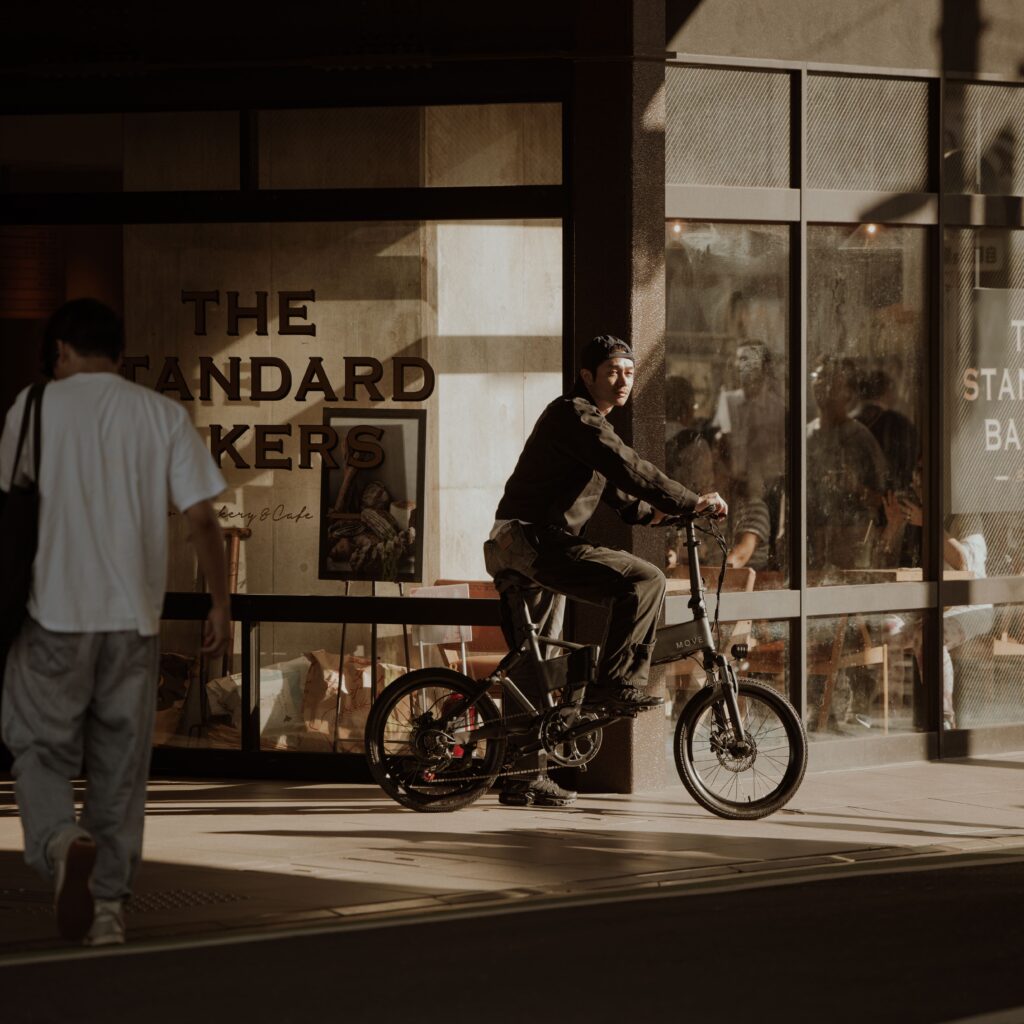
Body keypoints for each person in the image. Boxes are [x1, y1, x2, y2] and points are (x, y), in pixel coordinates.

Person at [0, 298, 230, 946]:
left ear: (61, 352)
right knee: (120, 769)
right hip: (134, 623)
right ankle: (107, 911)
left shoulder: (35, 407)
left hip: (51, 615)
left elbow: (8, 504)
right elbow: (204, 520)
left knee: (38, 747)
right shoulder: (160, 415)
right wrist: (220, 602)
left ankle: (59, 840)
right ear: (121, 356)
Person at [483, 334, 727, 807]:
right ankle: (617, 685)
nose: (623, 380)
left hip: (537, 543)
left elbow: (623, 494)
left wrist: (665, 514)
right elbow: (624, 465)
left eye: (630, 372)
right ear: (587, 376)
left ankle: (522, 774)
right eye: (613, 371)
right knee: (644, 579)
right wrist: (687, 498)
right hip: (527, 541)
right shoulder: (571, 415)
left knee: (549, 664)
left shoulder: (589, 428)